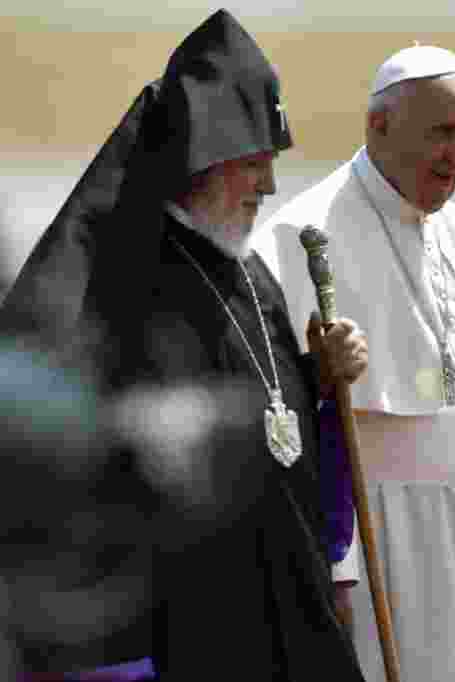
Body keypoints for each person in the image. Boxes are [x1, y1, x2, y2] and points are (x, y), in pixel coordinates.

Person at [0, 10, 367, 680]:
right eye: (252, 166)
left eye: (271, 165)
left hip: (283, 590)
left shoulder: (250, 271)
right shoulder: (124, 278)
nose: (269, 186)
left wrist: (318, 378)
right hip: (189, 618)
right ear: (197, 163)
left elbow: (265, 416)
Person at [255, 45, 455, 682]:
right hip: (390, 548)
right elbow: (289, 434)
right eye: (439, 133)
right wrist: (335, 569)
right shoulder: (303, 235)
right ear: (378, 126)